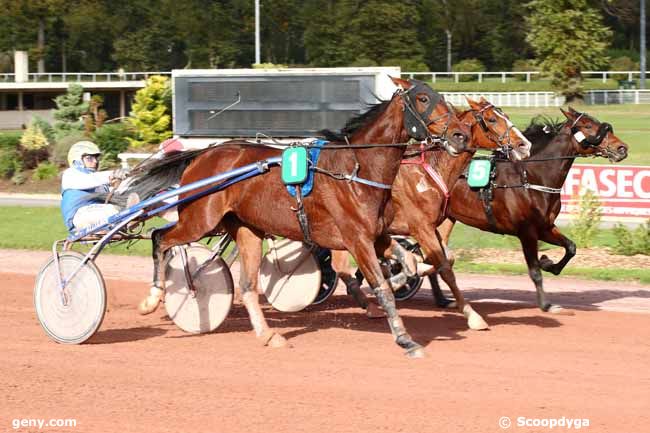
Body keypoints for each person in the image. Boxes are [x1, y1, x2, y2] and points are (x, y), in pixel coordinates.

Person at [61, 141, 128, 231]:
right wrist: (113, 174)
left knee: (124, 208)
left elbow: (113, 192)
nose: (95, 161)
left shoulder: (98, 182)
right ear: (77, 160)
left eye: (96, 158)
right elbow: (90, 180)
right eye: (89, 158)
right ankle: (127, 222)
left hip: (96, 213)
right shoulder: (70, 174)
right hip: (79, 217)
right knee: (115, 211)